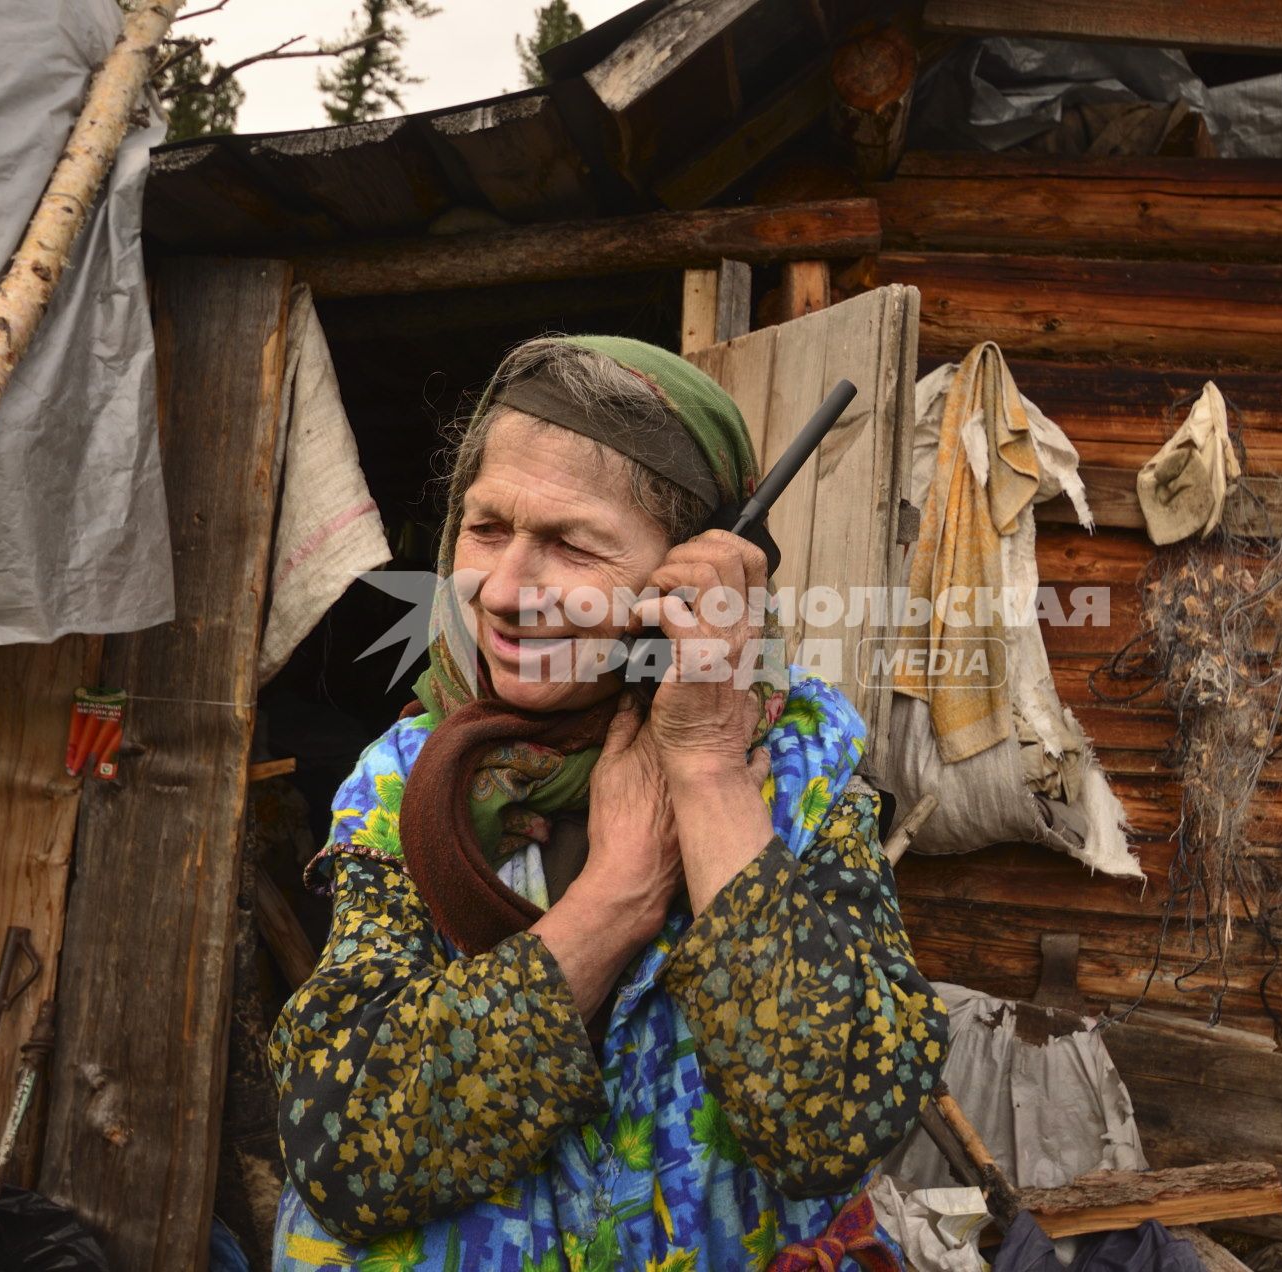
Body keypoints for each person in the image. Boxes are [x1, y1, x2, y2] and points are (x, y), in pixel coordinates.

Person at [268, 335, 949, 1271]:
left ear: (701, 570)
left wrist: (708, 768)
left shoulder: (797, 766)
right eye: (487, 527)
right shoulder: (403, 778)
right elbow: (341, 1150)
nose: (503, 592)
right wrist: (617, 897)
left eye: (572, 544)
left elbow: (829, 1124)